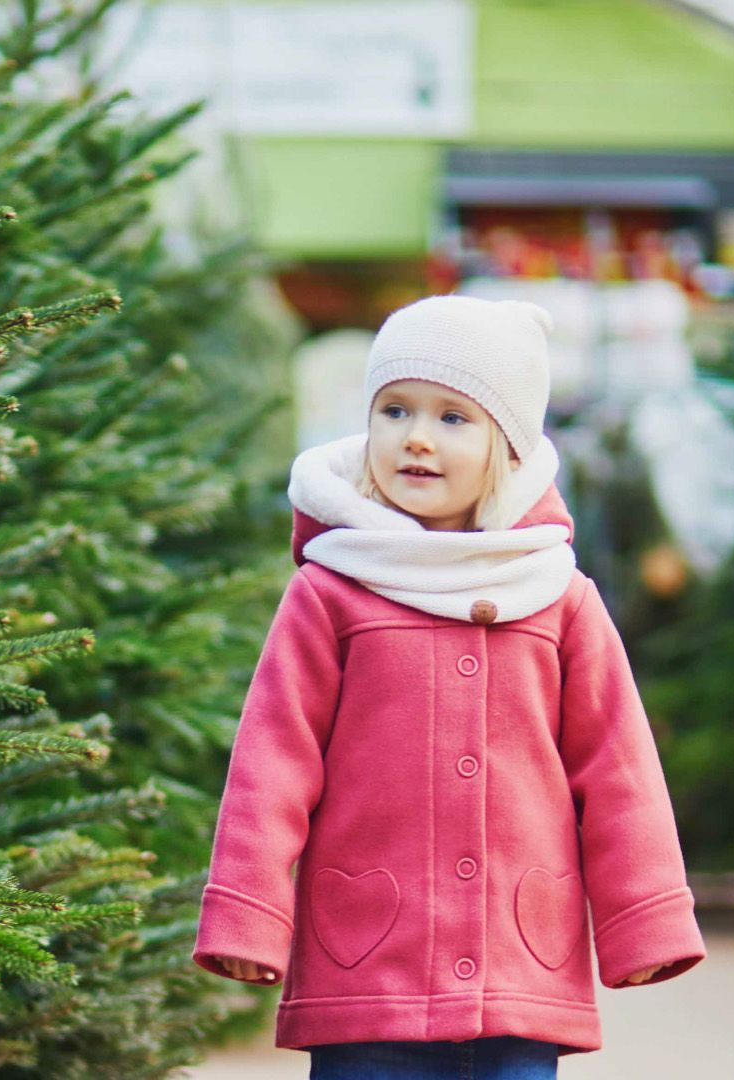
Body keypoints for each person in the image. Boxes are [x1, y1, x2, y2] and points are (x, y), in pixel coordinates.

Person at [191, 294, 707, 1079]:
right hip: (368, 972)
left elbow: (618, 769)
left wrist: (648, 921)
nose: (417, 438)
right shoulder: (330, 591)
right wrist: (247, 912)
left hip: (519, 971)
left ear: (510, 448)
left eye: (454, 417)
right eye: (394, 410)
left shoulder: (558, 597)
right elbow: (272, 764)